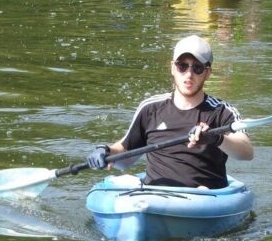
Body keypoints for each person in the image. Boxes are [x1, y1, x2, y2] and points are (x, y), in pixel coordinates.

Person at [86, 35, 254, 189]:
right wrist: (106, 151)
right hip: (153, 197)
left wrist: (216, 138)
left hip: (203, 197)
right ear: (172, 68)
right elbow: (125, 156)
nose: (189, 75)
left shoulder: (222, 111)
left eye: (197, 68)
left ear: (207, 73)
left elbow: (246, 152)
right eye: (182, 66)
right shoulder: (150, 108)